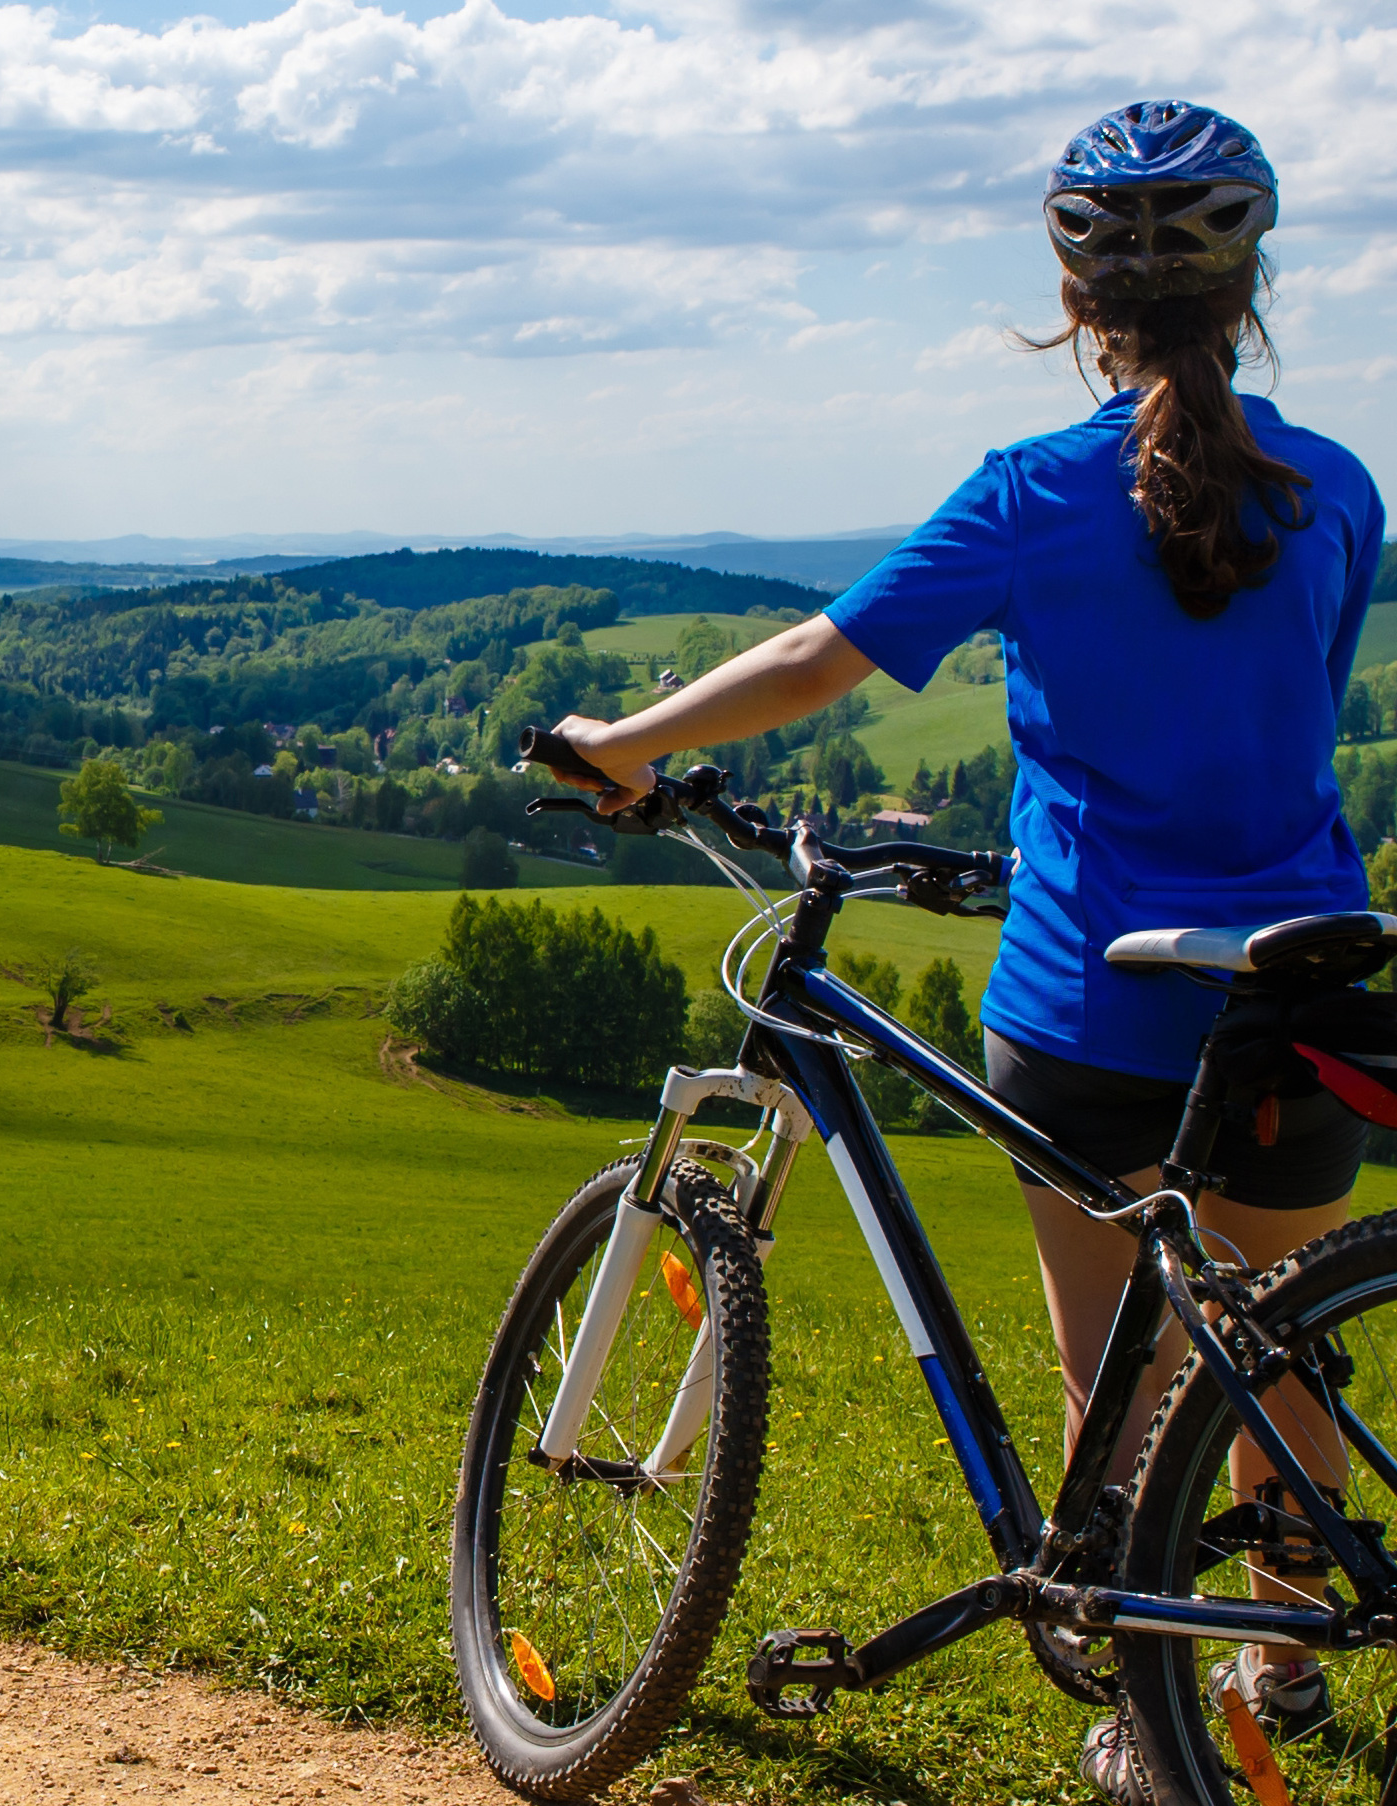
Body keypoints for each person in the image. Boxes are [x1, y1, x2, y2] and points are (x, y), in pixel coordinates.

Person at [547, 100, 1384, 1801]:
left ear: (1076, 305)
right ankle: (1283, 1656)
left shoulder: (1029, 495)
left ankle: (1151, 1711)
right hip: (1301, 967)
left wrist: (627, 740)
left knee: (1120, 1362)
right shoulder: (1338, 489)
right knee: (1273, 1332)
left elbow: (816, 654)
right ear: (1253, 288)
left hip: (1094, 990)